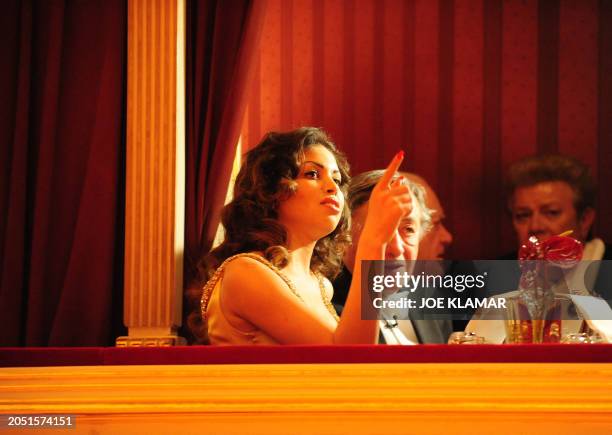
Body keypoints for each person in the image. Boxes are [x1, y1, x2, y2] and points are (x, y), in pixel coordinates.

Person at [189, 127, 413, 345]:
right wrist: (373, 239)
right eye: (313, 174)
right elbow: (349, 359)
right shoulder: (244, 272)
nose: (332, 187)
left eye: (336, 179)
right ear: (271, 190)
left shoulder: (322, 284)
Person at [331, 170, 452, 344]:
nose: (396, 248)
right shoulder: (324, 306)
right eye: (381, 229)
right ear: (342, 236)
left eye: (408, 230)